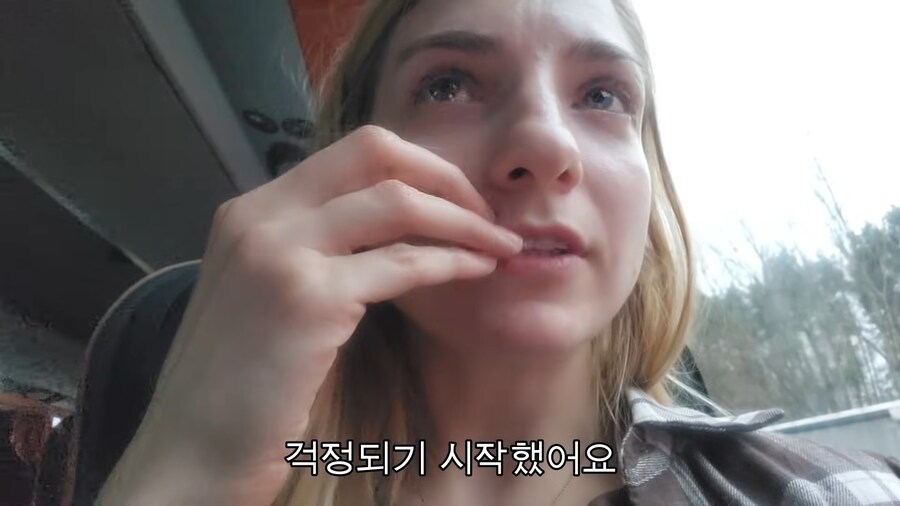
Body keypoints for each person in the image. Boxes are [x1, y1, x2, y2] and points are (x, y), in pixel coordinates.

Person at [91, 0, 900, 504]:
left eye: (602, 95)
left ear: (647, 191)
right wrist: (188, 470)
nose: (545, 145)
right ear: (349, 163)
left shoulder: (837, 493)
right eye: (448, 84)